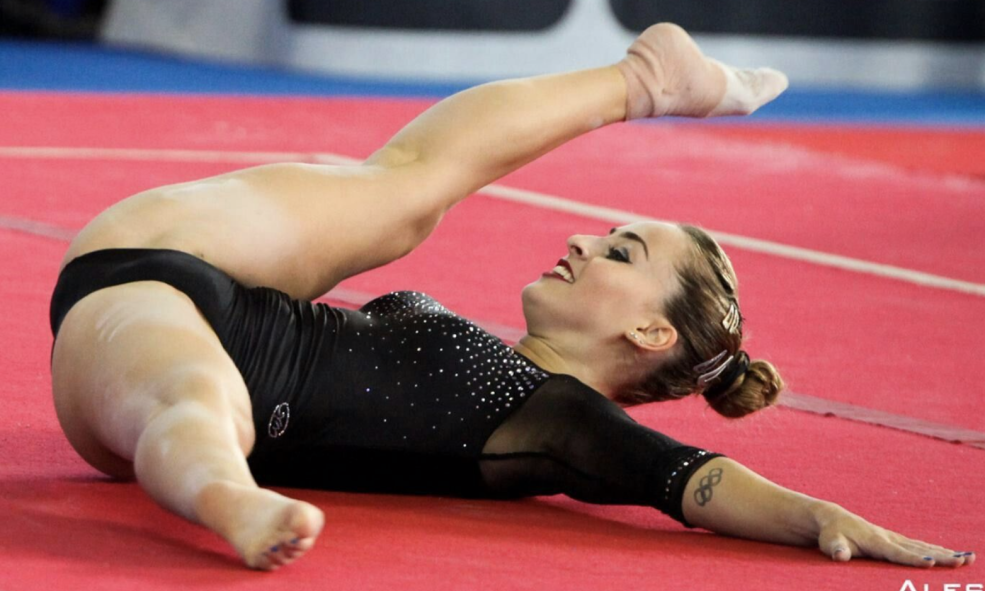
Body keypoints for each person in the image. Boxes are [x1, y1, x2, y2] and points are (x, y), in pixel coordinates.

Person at [48, 23, 974, 572]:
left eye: (618, 250)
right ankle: (649, 78)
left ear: (649, 329)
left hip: (151, 348)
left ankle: (225, 497)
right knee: (402, 198)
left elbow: (687, 477)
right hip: (191, 272)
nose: (578, 239)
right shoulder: (512, 376)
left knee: (198, 401)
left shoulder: (553, 418)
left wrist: (817, 517)